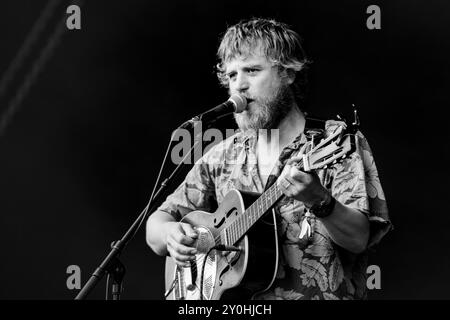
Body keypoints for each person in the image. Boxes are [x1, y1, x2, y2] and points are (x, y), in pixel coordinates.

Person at [146, 18, 391, 300]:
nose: (239, 85)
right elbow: (156, 225)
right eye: (232, 75)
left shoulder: (334, 141)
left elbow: (358, 239)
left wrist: (320, 201)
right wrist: (171, 235)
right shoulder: (223, 155)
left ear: (288, 73)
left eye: (252, 70)